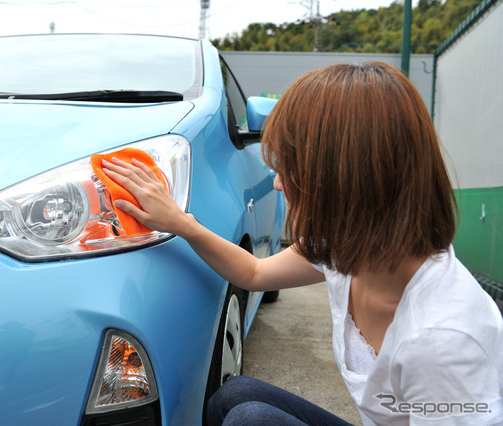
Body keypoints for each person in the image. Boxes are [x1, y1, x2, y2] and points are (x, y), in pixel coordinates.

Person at [101, 61, 503, 425]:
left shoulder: (443, 340)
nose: (277, 182)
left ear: (344, 179)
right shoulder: (346, 251)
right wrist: (180, 222)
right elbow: (255, 272)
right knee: (234, 397)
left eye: (289, 169)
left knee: (251, 421)